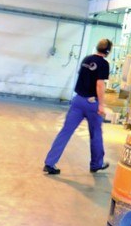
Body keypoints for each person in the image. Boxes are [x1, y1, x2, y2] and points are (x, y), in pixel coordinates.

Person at [43, 38, 113, 175]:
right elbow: (100, 84)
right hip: (92, 103)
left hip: (77, 101)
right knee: (96, 134)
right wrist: (101, 105)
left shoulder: (86, 59)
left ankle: (49, 163)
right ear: (108, 51)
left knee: (65, 132)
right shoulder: (103, 64)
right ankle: (96, 164)